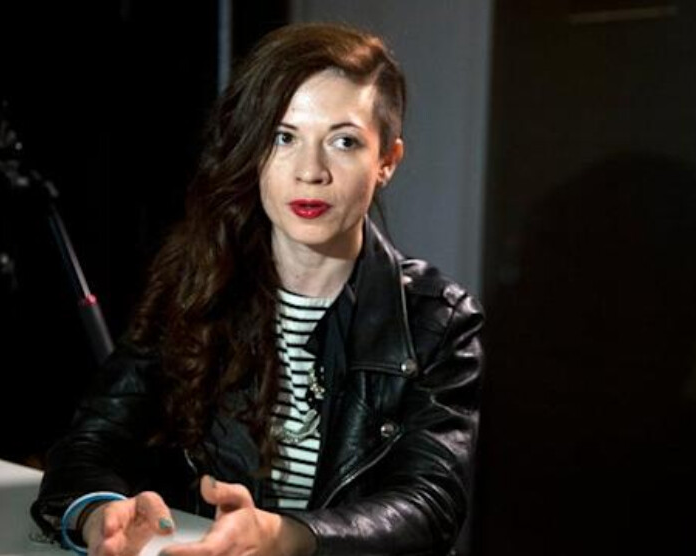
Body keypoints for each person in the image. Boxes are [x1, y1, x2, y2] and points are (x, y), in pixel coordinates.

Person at [30, 22, 484, 556]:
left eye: (343, 141)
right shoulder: (197, 282)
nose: (310, 171)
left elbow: (430, 505)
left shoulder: (438, 321)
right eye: (283, 137)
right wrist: (96, 513)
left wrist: (285, 536)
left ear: (386, 161)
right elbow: (94, 438)